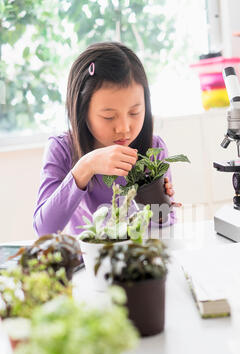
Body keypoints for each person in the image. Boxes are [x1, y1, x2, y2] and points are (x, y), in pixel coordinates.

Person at [33, 41, 181, 237]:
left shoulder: (153, 147)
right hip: (89, 262)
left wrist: (161, 208)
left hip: (140, 259)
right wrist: (86, 166)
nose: (124, 128)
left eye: (135, 112)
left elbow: (165, 227)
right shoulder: (62, 149)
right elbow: (44, 230)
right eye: (109, 116)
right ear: (81, 111)